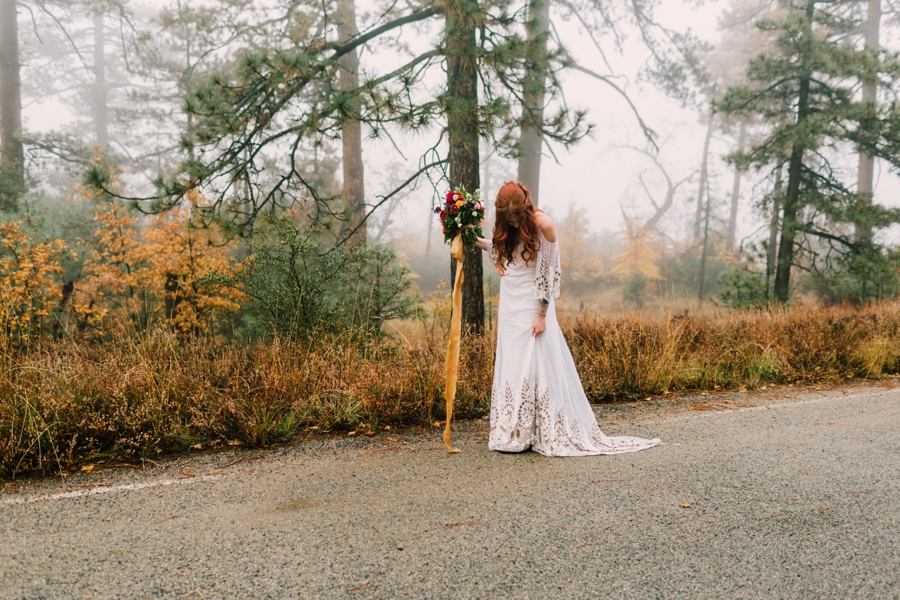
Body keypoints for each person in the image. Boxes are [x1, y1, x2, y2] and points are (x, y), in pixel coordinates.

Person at [474, 181, 661, 456]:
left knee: (537, 363)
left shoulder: (544, 224)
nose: (512, 223)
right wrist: (470, 237)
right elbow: (502, 250)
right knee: (514, 363)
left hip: (532, 302)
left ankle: (543, 430)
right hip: (510, 302)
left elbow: (549, 272)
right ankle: (517, 429)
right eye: (508, 218)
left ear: (525, 206)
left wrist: (542, 314)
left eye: (516, 217)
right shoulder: (508, 226)